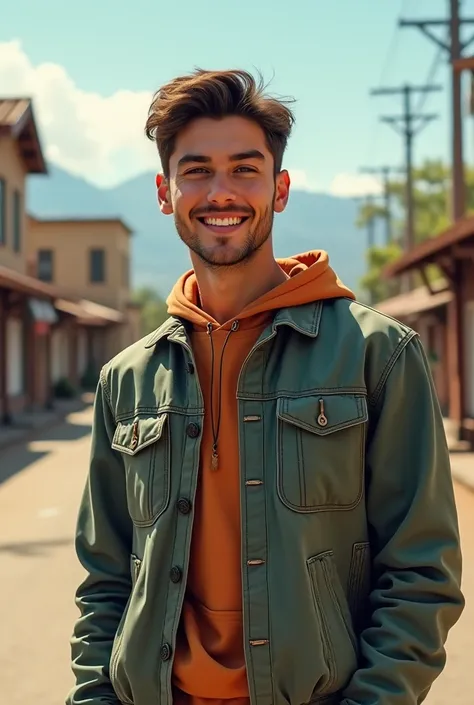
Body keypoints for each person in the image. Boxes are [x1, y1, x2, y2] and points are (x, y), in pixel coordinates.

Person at [67, 69, 464, 705]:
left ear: (278, 189)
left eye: (244, 169)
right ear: (165, 193)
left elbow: (421, 573)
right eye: (195, 170)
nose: (220, 191)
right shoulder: (127, 379)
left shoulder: (377, 357)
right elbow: (107, 579)